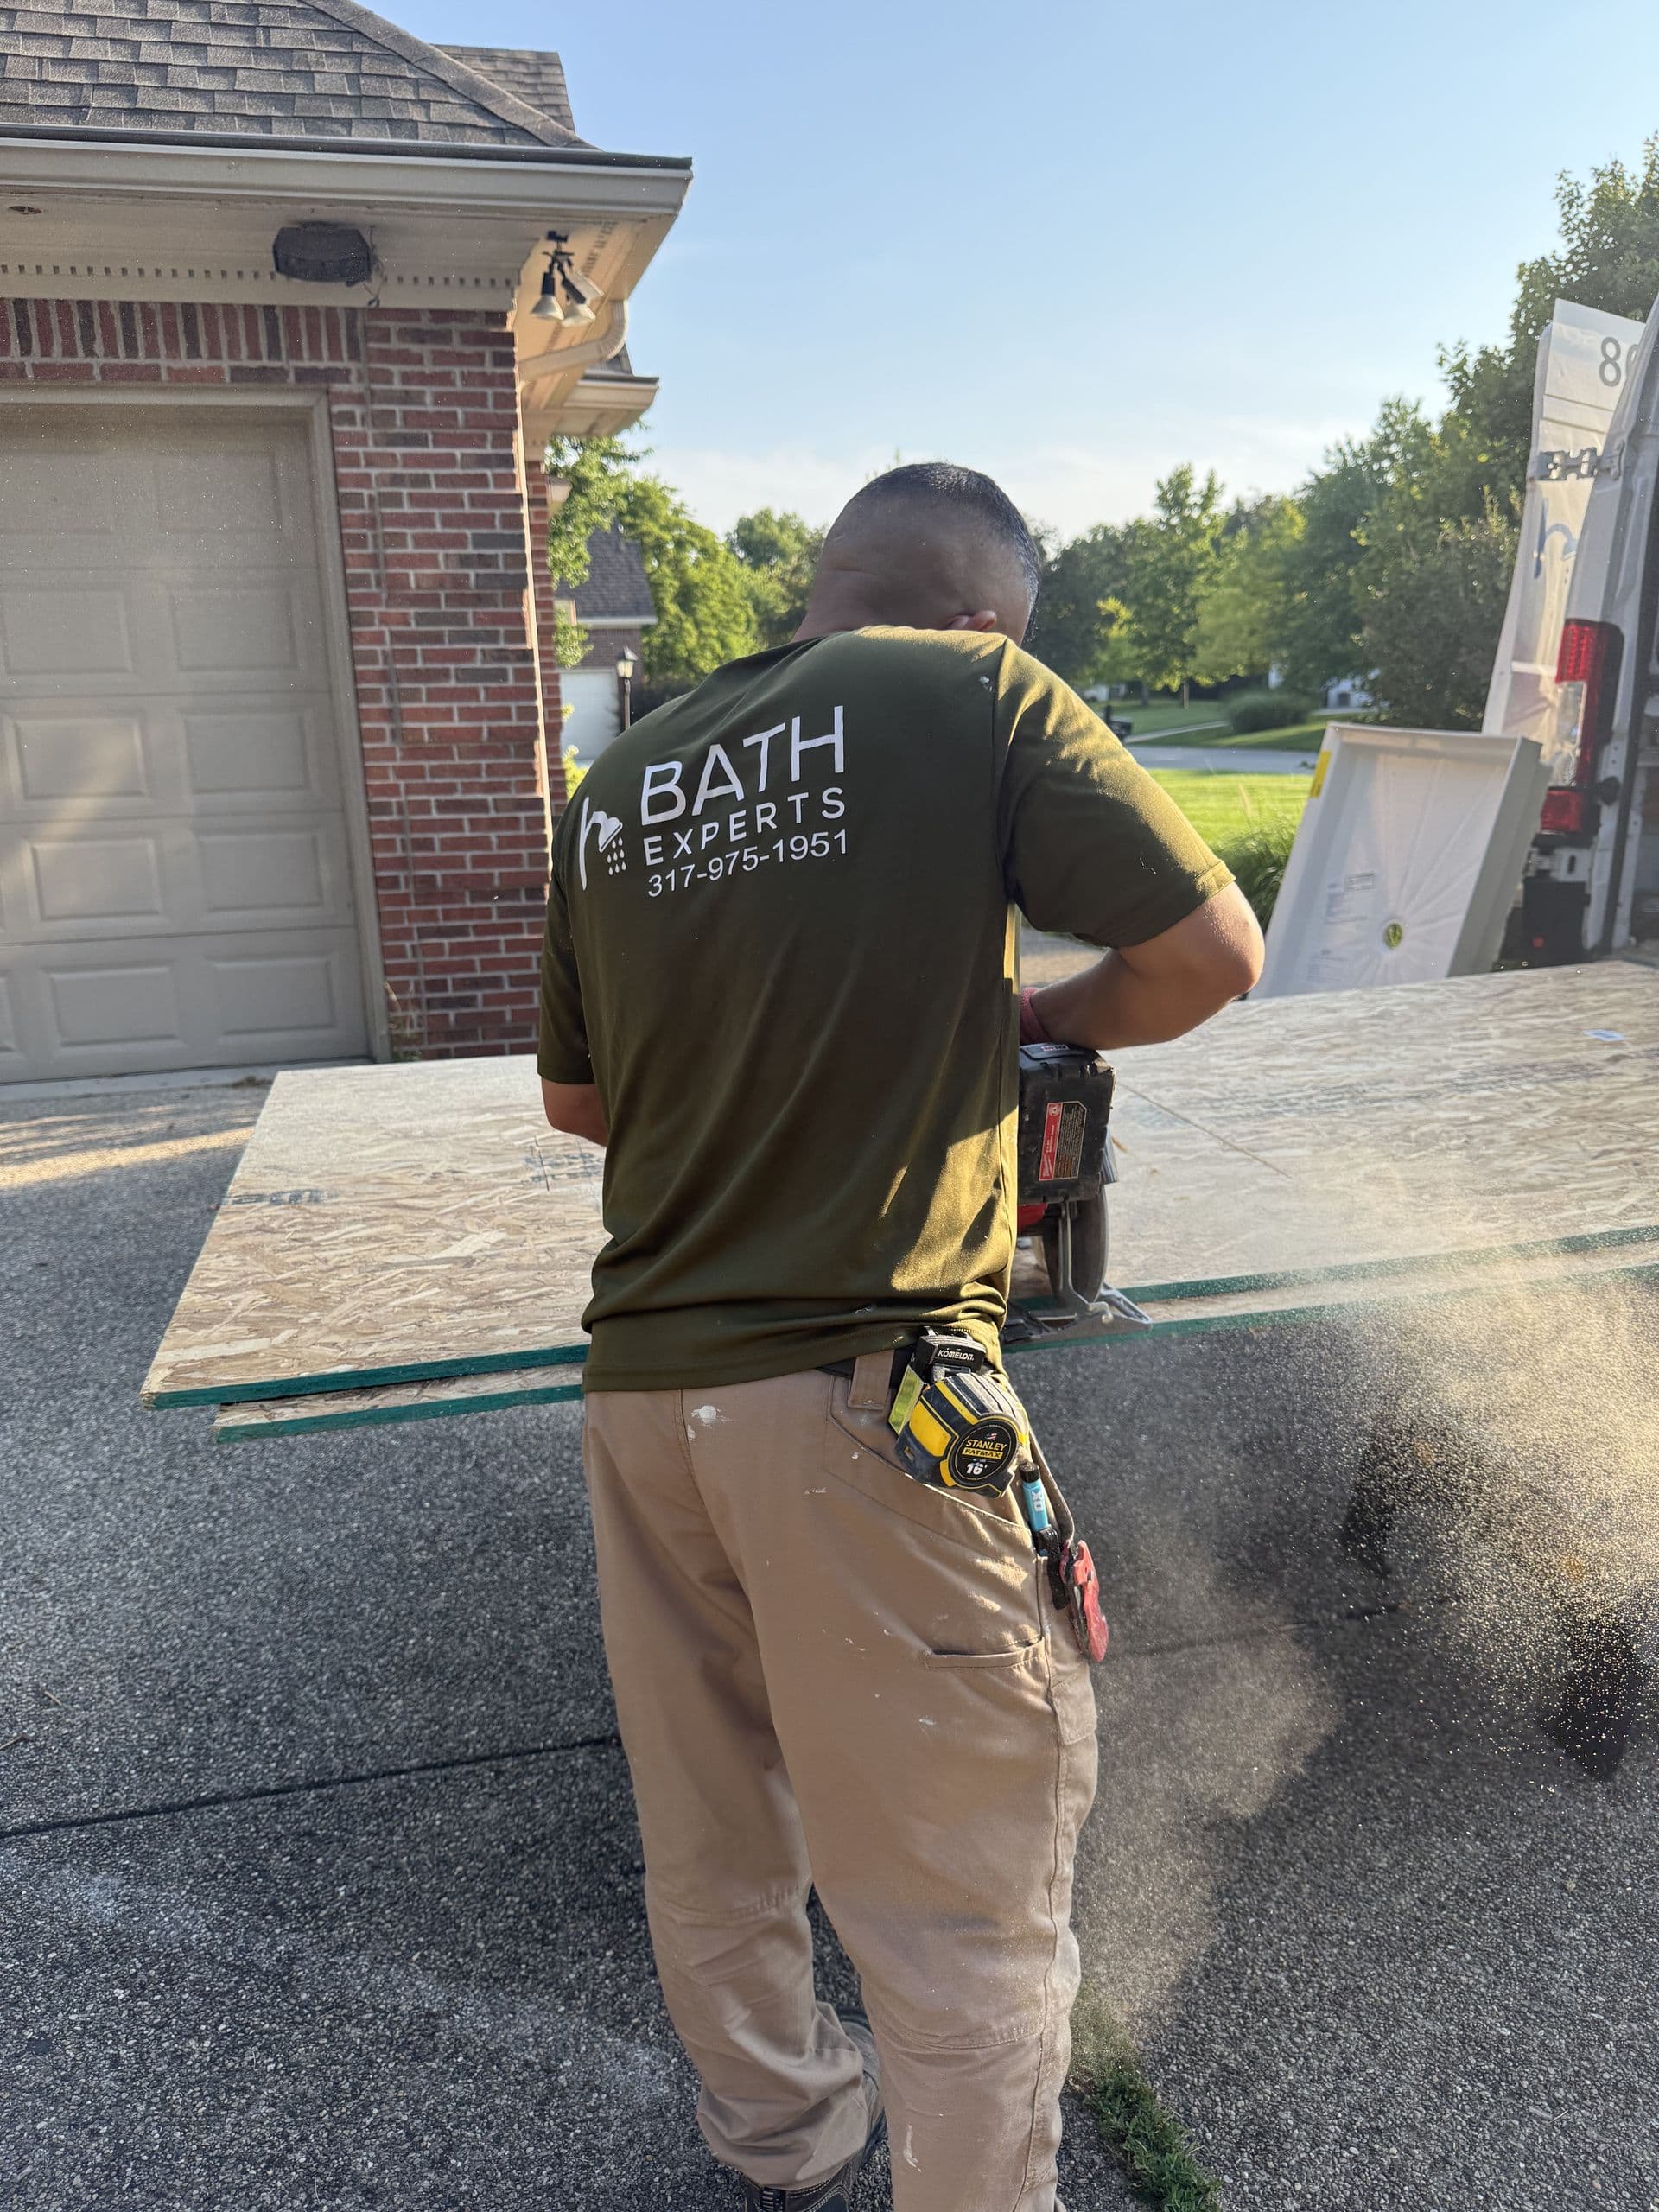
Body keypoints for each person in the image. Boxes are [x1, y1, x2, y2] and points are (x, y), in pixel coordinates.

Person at [538, 463, 1263, 2211]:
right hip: (870, 1388)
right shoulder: (974, 690)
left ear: (825, 585)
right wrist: (1026, 1014)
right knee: (957, 1899)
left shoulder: (619, 780)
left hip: (644, 1397)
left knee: (715, 1829)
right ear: (978, 615)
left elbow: (581, 1102)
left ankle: (781, 2139)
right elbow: (1207, 955)